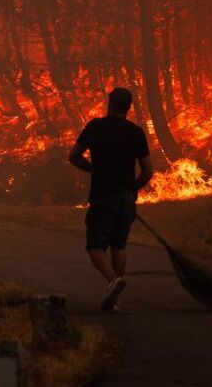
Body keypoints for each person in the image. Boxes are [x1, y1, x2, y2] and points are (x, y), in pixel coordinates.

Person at [69, 87, 154, 313]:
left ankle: (113, 280)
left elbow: (73, 156)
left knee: (95, 246)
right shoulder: (136, 132)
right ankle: (114, 300)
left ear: (109, 104)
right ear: (129, 107)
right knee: (118, 245)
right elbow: (148, 171)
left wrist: (94, 169)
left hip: (103, 196)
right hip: (126, 199)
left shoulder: (95, 127)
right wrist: (132, 189)